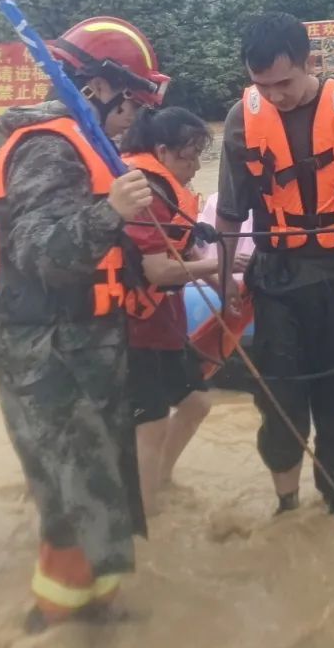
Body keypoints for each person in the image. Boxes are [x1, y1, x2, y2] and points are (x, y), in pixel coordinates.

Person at [0, 16, 164, 633]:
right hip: (48, 355)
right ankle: (57, 621)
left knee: (97, 489)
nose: (133, 116)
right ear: (95, 88)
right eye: (131, 100)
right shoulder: (48, 148)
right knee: (70, 499)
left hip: (86, 349)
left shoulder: (88, 144)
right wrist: (111, 212)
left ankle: (100, 610)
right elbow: (38, 252)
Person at [214, 12, 334, 528]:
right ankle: (287, 505)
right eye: (262, 85)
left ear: (308, 62)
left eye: (285, 82)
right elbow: (229, 213)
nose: (275, 95)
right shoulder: (240, 119)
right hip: (276, 280)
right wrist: (226, 279)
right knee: (279, 401)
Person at [120, 107, 220, 516]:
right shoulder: (143, 194)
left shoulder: (168, 192)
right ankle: (146, 520)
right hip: (134, 329)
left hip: (166, 322)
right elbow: (158, 270)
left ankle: (159, 480)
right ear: (161, 151)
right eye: (189, 157)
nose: (195, 167)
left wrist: (224, 286)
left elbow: (185, 246)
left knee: (196, 403)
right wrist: (216, 267)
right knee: (151, 423)